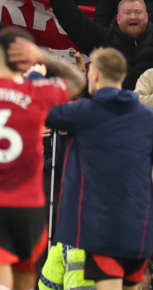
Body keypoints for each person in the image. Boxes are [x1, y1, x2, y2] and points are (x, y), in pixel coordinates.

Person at [46, 47, 153, 290]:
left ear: (94, 76)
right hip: (137, 231)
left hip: (99, 227)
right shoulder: (148, 118)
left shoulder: (83, 114)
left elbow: (44, 110)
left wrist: (48, 71)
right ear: (122, 77)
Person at [0, 28, 84, 290]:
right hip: (28, 207)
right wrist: (44, 58)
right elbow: (78, 81)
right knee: (25, 280)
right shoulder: (38, 93)